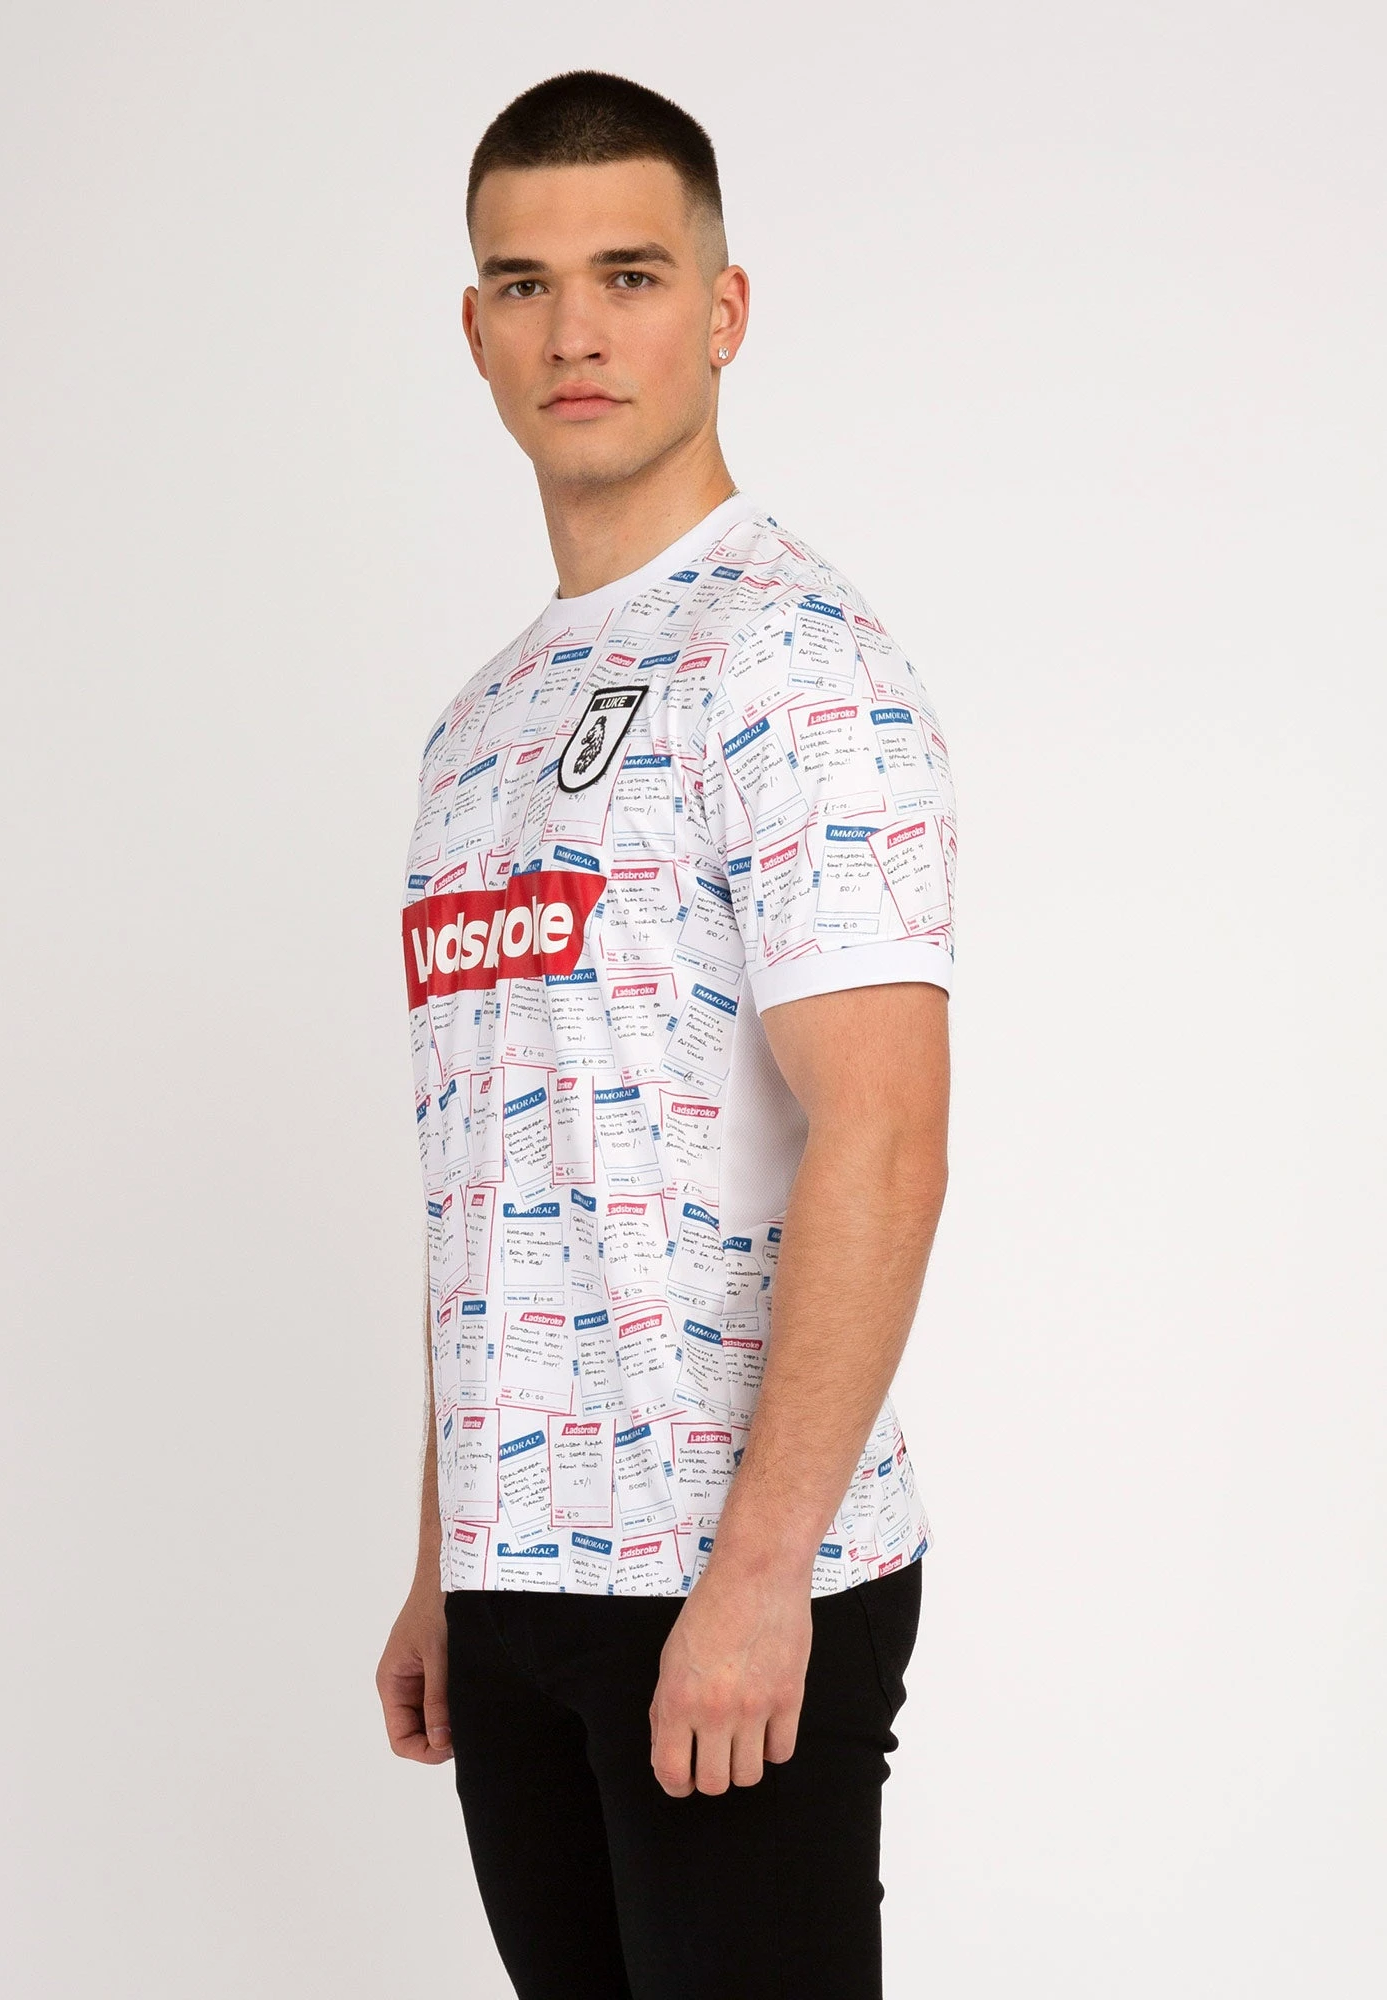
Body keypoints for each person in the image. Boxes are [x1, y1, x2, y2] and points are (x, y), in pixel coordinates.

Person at [376, 69, 956, 2000]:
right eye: (524, 284)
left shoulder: (793, 663)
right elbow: (487, 1168)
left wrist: (764, 1572)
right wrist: (450, 1552)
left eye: (629, 275)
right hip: (521, 1577)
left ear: (722, 308)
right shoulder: (475, 731)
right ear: (477, 329)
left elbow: (884, 1136)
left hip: (725, 1572)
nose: (576, 330)